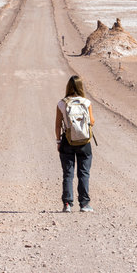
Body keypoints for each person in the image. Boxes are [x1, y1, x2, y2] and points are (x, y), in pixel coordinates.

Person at [55, 75, 95, 213]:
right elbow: (92, 121)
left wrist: (58, 141)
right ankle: (84, 204)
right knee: (83, 173)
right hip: (84, 142)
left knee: (68, 173)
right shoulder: (86, 102)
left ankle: (67, 204)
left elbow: (57, 126)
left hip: (67, 141)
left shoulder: (62, 103)